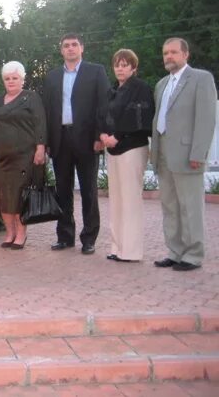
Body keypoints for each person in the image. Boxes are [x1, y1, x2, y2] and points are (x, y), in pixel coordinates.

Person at [151, 37, 217, 271]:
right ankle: (175, 251)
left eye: (174, 52)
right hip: (163, 155)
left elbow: (206, 119)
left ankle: (193, 255)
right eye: (165, 52)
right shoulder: (161, 84)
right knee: (170, 206)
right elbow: (159, 119)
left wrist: (199, 152)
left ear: (185, 54)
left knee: (190, 207)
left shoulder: (201, 78)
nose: (169, 57)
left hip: (189, 154)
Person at [42, 33, 110, 255]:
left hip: (87, 140)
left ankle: (89, 238)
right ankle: (65, 236)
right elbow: (47, 111)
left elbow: (103, 105)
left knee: (89, 190)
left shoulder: (95, 71)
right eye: (66, 46)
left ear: (82, 48)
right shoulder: (52, 77)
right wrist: (47, 141)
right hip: (60, 139)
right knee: (63, 191)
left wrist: (100, 136)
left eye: (74, 45)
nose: (70, 49)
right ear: (61, 50)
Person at [99, 49, 155, 262]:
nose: (120, 68)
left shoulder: (140, 88)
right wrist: (103, 134)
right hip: (113, 149)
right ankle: (117, 247)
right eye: (117, 65)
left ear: (133, 67)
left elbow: (139, 119)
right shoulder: (112, 90)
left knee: (130, 201)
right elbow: (103, 116)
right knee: (116, 200)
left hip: (132, 148)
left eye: (125, 64)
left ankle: (130, 251)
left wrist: (117, 136)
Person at [0, 61, 46, 249]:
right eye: (7, 79)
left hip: (24, 156)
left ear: (22, 79)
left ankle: (21, 234)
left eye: (15, 78)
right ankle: (9, 233)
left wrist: (40, 147)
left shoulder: (31, 98)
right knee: (3, 195)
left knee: (19, 195)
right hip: (2, 157)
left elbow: (40, 123)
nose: (11, 81)